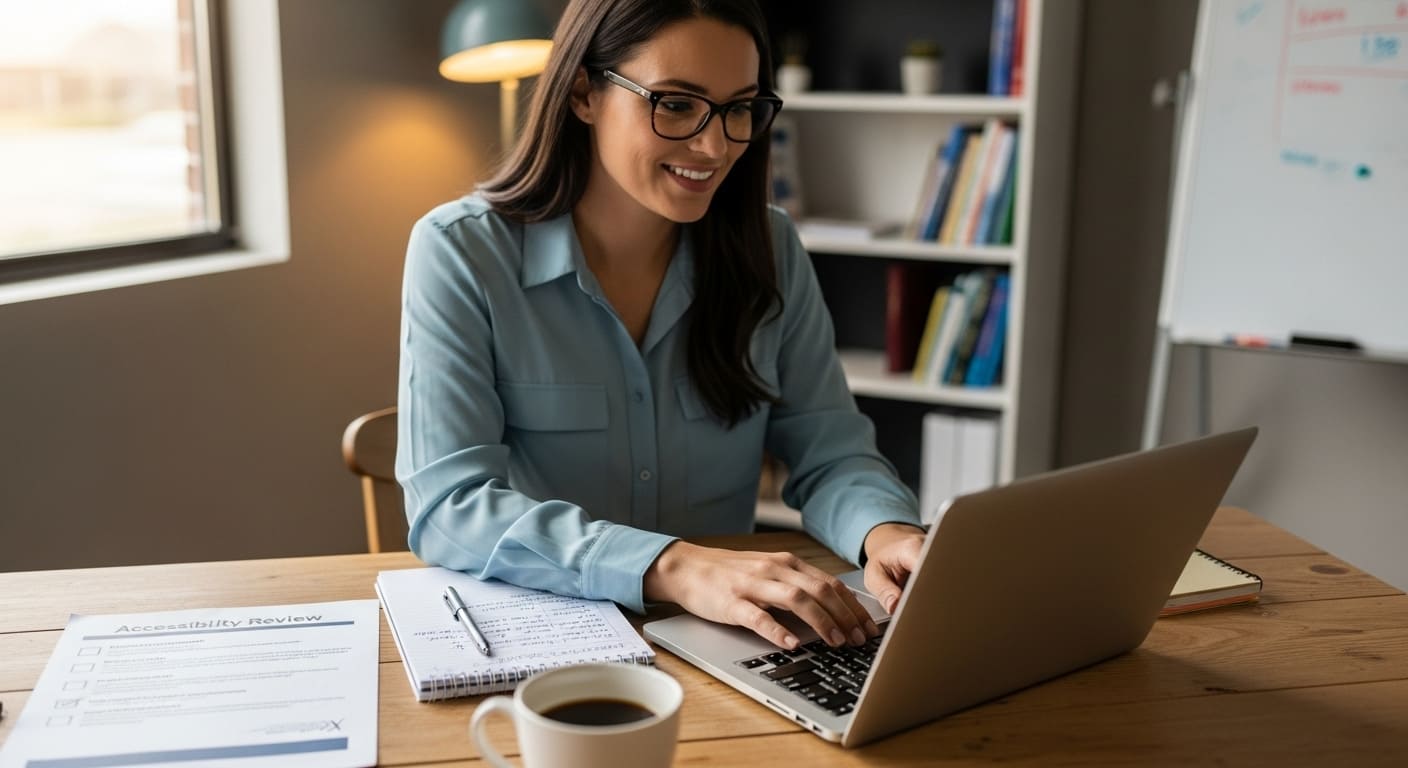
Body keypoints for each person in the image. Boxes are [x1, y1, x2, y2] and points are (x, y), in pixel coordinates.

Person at [396, 0, 925, 652]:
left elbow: (832, 450)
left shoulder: (771, 248)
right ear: (584, 92)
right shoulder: (460, 253)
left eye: (740, 108)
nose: (715, 145)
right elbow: (450, 509)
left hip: (729, 641)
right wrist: (672, 565)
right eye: (676, 104)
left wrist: (887, 533)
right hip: (545, 641)